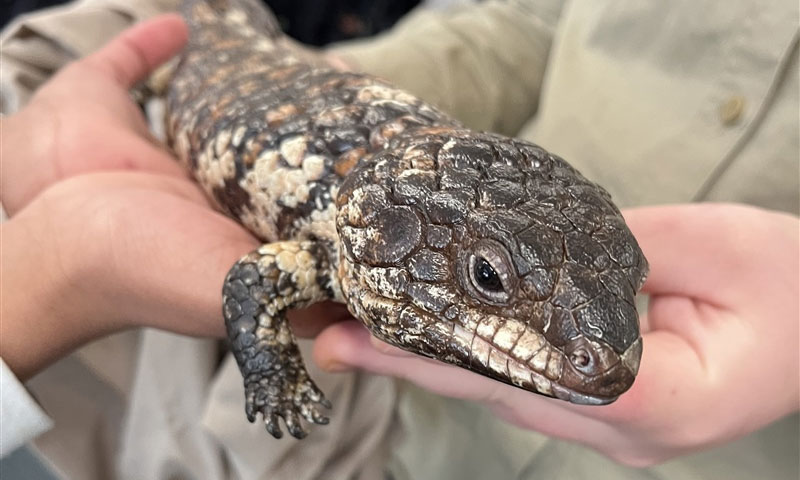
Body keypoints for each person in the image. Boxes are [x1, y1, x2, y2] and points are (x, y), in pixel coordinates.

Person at [1, 1, 797, 479]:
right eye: (487, 277)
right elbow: (252, 285)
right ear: (391, 236)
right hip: (390, 436)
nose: (605, 355)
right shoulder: (332, 239)